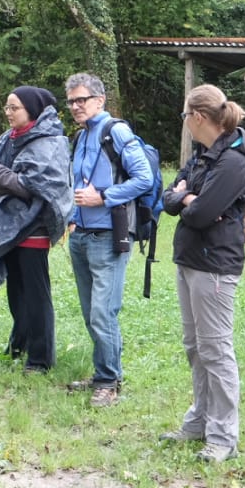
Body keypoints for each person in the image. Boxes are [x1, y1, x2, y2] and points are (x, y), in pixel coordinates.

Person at [159, 84, 245, 463]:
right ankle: (198, 422)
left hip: (215, 265)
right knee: (195, 347)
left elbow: (199, 215)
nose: (184, 123)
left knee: (216, 350)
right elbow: (168, 197)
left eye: (185, 116)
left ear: (197, 117)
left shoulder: (233, 161)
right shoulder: (203, 155)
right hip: (189, 260)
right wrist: (185, 197)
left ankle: (222, 437)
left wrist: (187, 199)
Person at [63, 73, 153, 408]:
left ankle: (109, 381)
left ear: (100, 100)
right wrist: (71, 221)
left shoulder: (116, 131)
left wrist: (104, 196)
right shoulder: (81, 135)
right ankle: (103, 372)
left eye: (81, 100)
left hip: (109, 236)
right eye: (71, 101)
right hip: (81, 236)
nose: (75, 106)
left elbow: (144, 178)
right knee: (91, 312)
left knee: (103, 311)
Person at [0, 86, 74, 372]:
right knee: (16, 292)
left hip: (34, 229)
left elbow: (44, 188)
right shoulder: (8, 139)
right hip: (7, 228)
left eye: (14, 107)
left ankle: (40, 359)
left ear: (31, 109)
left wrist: (11, 180)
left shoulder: (50, 143)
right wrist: (13, 180)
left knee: (36, 294)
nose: (8, 112)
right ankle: (19, 344)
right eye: (6, 107)